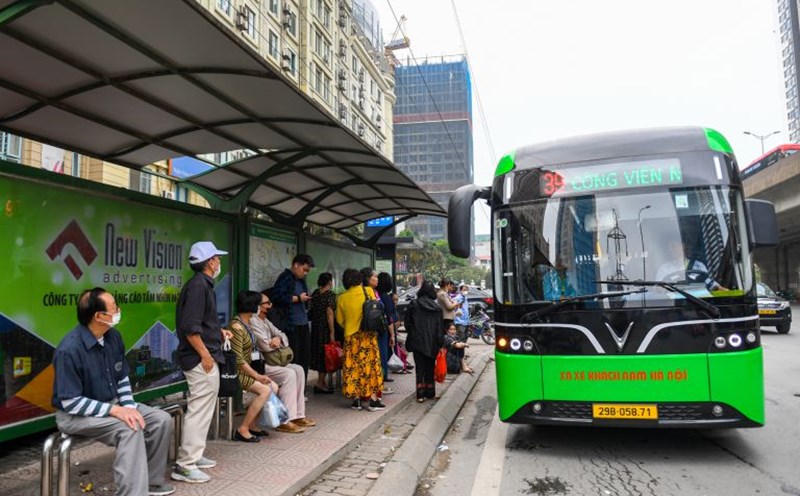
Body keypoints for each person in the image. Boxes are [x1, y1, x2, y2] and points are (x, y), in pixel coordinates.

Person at [53, 288, 175, 496]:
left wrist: (127, 407)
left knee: (161, 420)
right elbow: (70, 402)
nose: (119, 310)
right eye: (114, 308)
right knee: (129, 428)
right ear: (99, 316)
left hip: (113, 404)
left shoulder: (113, 337)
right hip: (76, 415)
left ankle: (152, 483)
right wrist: (116, 411)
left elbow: (122, 377)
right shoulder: (69, 349)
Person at [172, 241, 231, 484]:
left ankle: (194, 455)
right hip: (199, 358)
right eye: (217, 258)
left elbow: (202, 324)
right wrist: (205, 355)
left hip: (203, 354)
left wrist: (219, 333)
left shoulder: (202, 285)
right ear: (210, 262)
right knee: (199, 410)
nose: (219, 262)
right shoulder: (199, 287)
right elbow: (190, 328)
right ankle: (185, 465)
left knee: (203, 409)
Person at [251, 292, 317, 433]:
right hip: (262, 364)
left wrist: (278, 339)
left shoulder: (265, 321)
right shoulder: (253, 321)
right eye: (267, 303)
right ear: (259, 306)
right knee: (289, 374)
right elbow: (265, 345)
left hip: (273, 360)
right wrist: (276, 341)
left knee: (298, 369)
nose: (270, 305)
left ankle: (298, 415)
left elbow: (282, 334)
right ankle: (284, 420)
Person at [227, 290, 280, 442]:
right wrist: (257, 376)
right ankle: (242, 429)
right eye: (258, 304)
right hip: (237, 372)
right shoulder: (237, 327)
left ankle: (253, 424)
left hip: (247, 369)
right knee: (264, 390)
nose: (260, 307)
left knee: (273, 387)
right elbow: (238, 359)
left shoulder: (248, 323)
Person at [336, 268, 385, 412]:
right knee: (369, 367)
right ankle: (371, 400)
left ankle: (356, 400)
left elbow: (340, 320)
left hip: (351, 337)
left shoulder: (342, 298)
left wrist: (350, 326)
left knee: (353, 368)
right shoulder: (368, 291)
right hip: (367, 336)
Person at [271, 254, 315, 378]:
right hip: (291, 324)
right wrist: (297, 298)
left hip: (303, 322)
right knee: (293, 357)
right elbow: (276, 296)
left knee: (304, 357)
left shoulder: (301, 281)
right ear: (296, 265)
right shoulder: (285, 277)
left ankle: (302, 389)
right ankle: (292, 389)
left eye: (307, 271)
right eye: (304, 269)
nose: (305, 273)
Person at [405, 280, 444, 402]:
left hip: (417, 341)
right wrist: (440, 343)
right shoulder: (437, 308)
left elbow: (407, 324)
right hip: (432, 342)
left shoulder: (414, 304)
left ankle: (420, 395)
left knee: (419, 368)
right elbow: (439, 329)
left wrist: (413, 332)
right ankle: (430, 392)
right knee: (430, 367)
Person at [361, 267, 393, 395]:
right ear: (368, 279)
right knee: (378, 358)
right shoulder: (368, 293)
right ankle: (377, 385)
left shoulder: (376, 292)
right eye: (374, 276)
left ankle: (379, 383)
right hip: (375, 331)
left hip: (379, 329)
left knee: (380, 357)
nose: (377, 279)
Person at [654, 239, 727, 291]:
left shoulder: (698, 266)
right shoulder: (664, 268)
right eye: (668, 248)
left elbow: (708, 283)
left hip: (698, 303)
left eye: (673, 246)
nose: (671, 250)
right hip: (674, 303)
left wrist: (721, 289)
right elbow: (658, 289)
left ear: (682, 246)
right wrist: (661, 288)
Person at [309, 272, 337, 394]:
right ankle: (320, 383)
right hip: (324, 328)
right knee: (325, 355)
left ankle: (322, 381)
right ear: (330, 282)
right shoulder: (330, 295)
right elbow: (329, 314)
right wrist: (332, 331)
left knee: (319, 353)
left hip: (315, 328)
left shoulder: (315, 293)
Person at [376, 272, 398, 385]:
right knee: (383, 352)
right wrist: (393, 335)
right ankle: (383, 375)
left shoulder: (375, 294)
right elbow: (389, 318)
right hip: (383, 329)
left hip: (374, 328)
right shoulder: (386, 298)